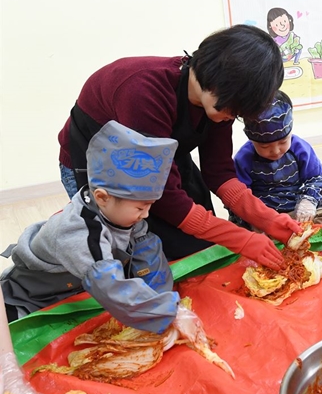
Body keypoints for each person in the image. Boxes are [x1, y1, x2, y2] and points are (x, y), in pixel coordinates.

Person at [57, 25, 301, 266]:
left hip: (159, 159)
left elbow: (218, 172)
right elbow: (165, 197)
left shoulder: (219, 103)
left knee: (197, 251)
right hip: (99, 167)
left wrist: (267, 219)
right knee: (132, 257)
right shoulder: (144, 91)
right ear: (218, 84)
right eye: (234, 109)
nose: (232, 115)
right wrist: (242, 238)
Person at [2, 121, 195, 335]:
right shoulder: (78, 232)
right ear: (102, 198)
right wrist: (169, 313)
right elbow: (108, 286)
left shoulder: (125, 214)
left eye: (150, 206)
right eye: (141, 207)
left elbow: (147, 253)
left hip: (76, 293)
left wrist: (162, 300)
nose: (146, 214)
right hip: (32, 298)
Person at [233, 90, 322, 226]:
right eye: (264, 147)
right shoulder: (244, 157)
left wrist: (308, 201)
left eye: (283, 142)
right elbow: (238, 195)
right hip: (265, 216)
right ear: (252, 140)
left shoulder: (300, 148)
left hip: (297, 211)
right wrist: (257, 217)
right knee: (244, 231)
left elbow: (316, 179)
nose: (275, 151)